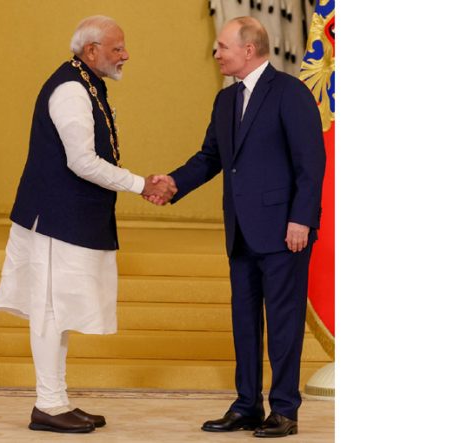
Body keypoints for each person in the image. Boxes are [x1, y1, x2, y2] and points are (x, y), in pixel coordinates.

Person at [0, 15, 176, 434]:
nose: (125, 55)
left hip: (68, 218)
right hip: (55, 220)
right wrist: (139, 184)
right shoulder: (72, 89)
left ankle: (55, 401)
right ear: (90, 51)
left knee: (58, 311)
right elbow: (82, 162)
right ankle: (48, 404)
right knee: (49, 310)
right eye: (117, 48)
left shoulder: (84, 82)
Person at [147, 16, 325, 438]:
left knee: (282, 324)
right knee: (244, 323)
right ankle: (246, 405)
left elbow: (310, 164)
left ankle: (284, 411)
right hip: (241, 232)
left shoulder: (290, 92)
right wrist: (173, 184)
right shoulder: (225, 101)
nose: (216, 53)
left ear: (249, 49)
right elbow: (210, 157)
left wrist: (301, 219)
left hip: (285, 233)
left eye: (222, 46)